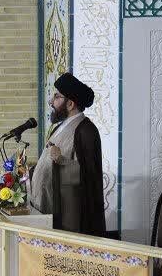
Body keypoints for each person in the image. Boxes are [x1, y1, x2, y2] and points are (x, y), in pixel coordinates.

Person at [28, 72, 106, 236]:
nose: (51, 102)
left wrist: (61, 160)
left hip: (68, 221)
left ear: (70, 104)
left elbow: (89, 178)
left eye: (57, 97)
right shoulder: (59, 127)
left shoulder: (86, 131)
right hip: (44, 210)